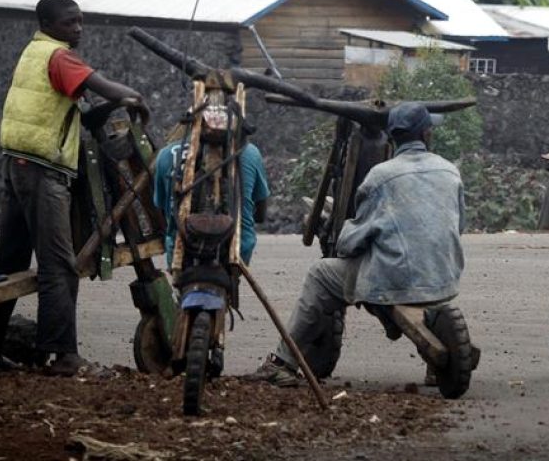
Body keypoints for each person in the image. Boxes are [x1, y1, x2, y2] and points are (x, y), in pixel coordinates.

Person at [0, 0, 150, 376]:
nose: (77, 28)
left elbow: (76, 110)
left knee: (8, 262)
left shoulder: (34, 53)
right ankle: (64, 355)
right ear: (48, 24)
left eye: (80, 21)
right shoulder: (60, 57)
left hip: (17, 164)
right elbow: (103, 86)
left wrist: (113, 107)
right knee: (59, 265)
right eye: (70, 22)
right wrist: (133, 98)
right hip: (42, 170)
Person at [250, 102, 466, 386]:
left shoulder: (380, 176)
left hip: (396, 281)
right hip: (444, 277)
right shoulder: (450, 172)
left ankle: (282, 362)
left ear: (392, 137)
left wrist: (344, 238)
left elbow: (352, 240)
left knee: (321, 274)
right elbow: (459, 225)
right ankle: (432, 367)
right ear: (427, 135)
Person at [151, 123, 270, 269]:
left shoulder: (166, 154)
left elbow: (163, 213)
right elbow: (260, 215)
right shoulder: (249, 152)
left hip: (180, 253)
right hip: (238, 251)